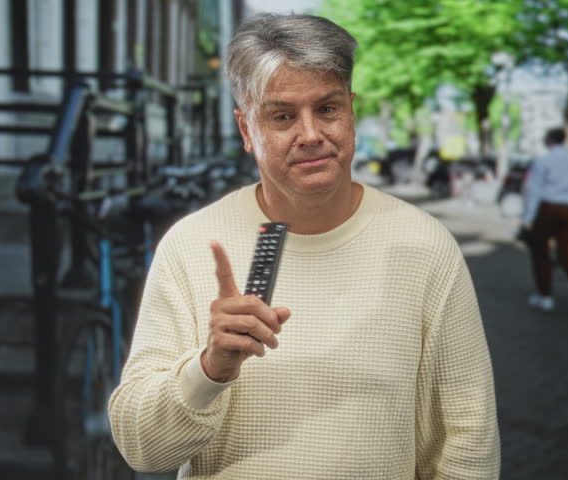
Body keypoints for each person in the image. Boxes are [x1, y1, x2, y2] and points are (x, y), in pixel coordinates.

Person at [108, 13, 500, 479]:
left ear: (351, 111)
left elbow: (466, 438)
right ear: (246, 131)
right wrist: (208, 370)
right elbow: (141, 448)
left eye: (328, 109)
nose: (311, 134)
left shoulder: (425, 246)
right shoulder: (191, 245)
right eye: (282, 116)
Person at [520, 127, 568, 315]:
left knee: (540, 252)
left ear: (550, 140)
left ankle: (545, 296)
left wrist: (528, 218)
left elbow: (534, 190)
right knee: (567, 251)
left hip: (548, 208)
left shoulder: (544, 161)